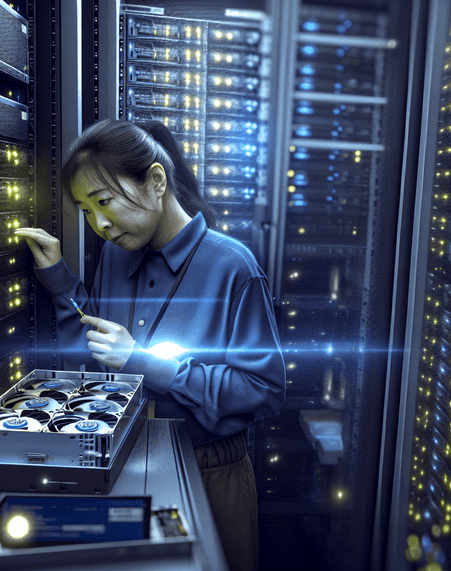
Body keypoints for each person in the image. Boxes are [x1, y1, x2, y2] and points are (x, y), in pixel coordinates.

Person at [15, 119, 286, 571]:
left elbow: (264, 389)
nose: (100, 224)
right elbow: (98, 354)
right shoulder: (115, 256)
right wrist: (58, 278)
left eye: (104, 202)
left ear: (156, 181)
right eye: (85, 210)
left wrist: (145, 362)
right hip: (121, 463)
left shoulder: (233, 266)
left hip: (211, 473)